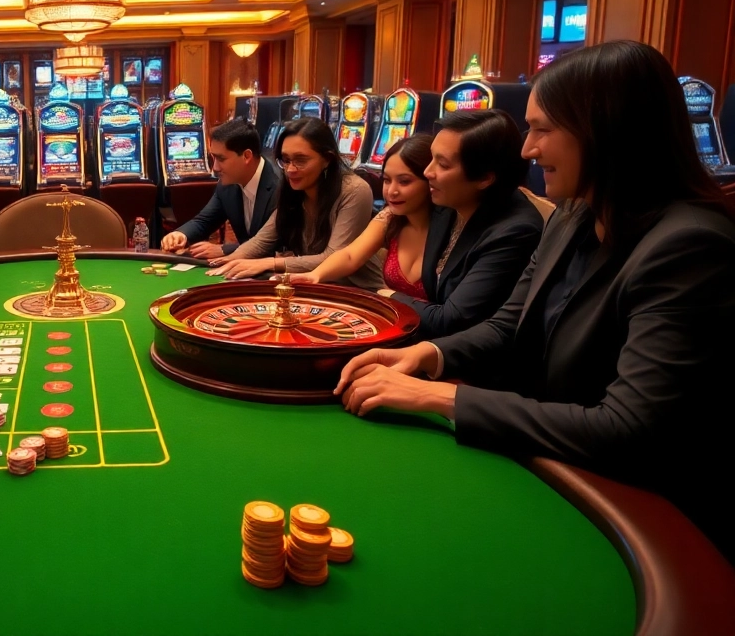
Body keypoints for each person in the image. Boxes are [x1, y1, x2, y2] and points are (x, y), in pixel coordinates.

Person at [335, 40, 735, 559]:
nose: (527, 149)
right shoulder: (572, 214)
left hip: (642, 521)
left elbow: (628, 429)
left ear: (607, 132)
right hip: (552, 462)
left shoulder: (690, 247)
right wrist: (426, 357)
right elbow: (508, 326)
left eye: (543, 129)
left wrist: (439, 398)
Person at [397, 109, 545, 337]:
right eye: (431, 158)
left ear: (485, 178)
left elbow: (450, 320)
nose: (428, 172)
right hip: (429, 340)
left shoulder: (515, 231)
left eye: (443, 165)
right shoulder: (447, 200)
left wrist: (388, 297)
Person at [210, 118, 380, 288]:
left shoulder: (355, 190)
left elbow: (334, 256)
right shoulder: (292, 189)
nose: (290, 169)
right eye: (285, 160)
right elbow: (262, 240)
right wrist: (229, 261)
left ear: (327, 159)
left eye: (300, 160)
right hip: (315, 287)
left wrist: (270, 263)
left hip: (362, 290)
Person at [289, 135, 433, 298]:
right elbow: (350, 255)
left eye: (404, 182)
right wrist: (315, 275)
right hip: (396, 314)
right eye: (386, 180)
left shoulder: (452, 229)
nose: (392, 191)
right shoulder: (389, 217)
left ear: (431, 181)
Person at [159, 119, 281, 259]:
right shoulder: (227, 184)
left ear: (247, 156)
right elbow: (204, 221)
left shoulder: (280, 186)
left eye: (221, 159)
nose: (215, 168)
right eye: (213, 158)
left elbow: (276, 246)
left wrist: (225, 250)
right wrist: (181, 235)